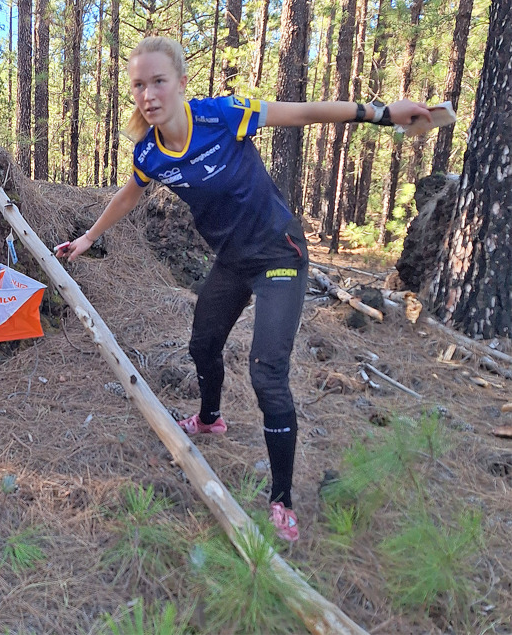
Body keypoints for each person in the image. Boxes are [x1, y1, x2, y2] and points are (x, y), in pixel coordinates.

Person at [56, 36, 430, 542]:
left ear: (182, 84)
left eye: (158, 81)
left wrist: (381, 113)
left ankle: (281, 499)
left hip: (280, 254)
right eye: (139, 85)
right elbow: (129, 194)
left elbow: (305, 113)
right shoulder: (152, 152)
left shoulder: (224, 115)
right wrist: (87, 239)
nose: (148, 94)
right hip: (231, 261)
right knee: (203, 344)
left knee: (267, 373)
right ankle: (210, 420)